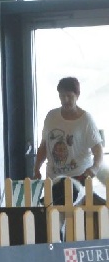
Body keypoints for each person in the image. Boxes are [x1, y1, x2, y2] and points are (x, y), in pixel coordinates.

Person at [33, 76, 104, 205]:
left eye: (69, 96)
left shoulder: (86, 120)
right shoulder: (51, 116)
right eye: (62, 96)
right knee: (53, 217)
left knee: (77, 218)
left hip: (79, 178)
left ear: (77, 95)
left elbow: (98, 150)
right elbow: (44, 145)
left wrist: (94, 168)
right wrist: (37, 168)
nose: (65, 100)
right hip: (54, 179)